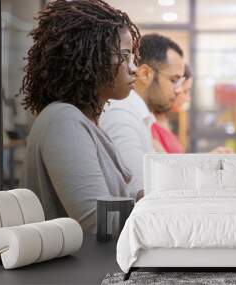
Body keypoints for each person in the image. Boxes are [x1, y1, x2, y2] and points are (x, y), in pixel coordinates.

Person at [20, 0, 140, 233]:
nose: (134, 68)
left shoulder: (81, 120)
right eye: (124, 56)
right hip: (75, 268)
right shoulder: (63, 121)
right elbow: (100, 225)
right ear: (91, 57)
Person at [100, 33, 186, 200]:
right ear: (145, 73)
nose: (179, 90)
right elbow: (139, 191)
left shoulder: (140, 117)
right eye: (174, 80)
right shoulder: (122, 114)